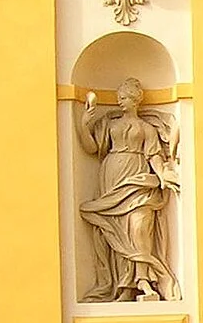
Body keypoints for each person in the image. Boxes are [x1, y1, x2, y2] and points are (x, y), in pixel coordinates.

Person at [76, 78, 178, 301]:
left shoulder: (147, 129)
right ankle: (125, 286)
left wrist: (163, 176)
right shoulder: (110, 125)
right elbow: (91, 147)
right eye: (119, 98)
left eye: (123, 98)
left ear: (135, 100)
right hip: (112, 176)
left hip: (138, 177)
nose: (119, 102)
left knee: (139, 226)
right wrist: (84, 124)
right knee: (117, 228)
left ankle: (144, 280)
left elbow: (154, 156)